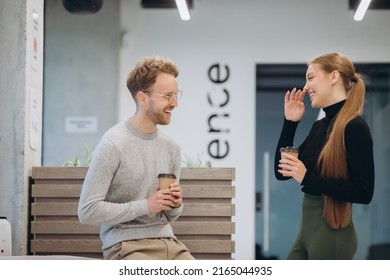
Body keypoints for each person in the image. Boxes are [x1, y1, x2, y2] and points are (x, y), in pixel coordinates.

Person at [78, 56, 194, 260]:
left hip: (170, 245)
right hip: (126, 246)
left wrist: (175, 204)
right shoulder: (113, 144)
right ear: (143, 98)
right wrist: (146, 205)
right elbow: (87, 210)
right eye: (168, 96)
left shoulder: (171, 148)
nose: (175, 103)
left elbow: (170, 215)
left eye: (176, 95)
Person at [274, 52, 375, 260]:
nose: (306, 87)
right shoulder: (320, 126)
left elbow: (364, 192)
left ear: (333, 77)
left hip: (332, 236)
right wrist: (290, 123)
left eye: (310, 78)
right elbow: (281, 172)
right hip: (306, 231)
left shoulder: (355, 128)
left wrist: (308, 178)